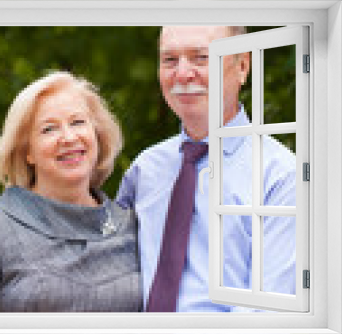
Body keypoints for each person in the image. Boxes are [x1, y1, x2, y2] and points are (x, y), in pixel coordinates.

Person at [116, 26, 296, 312]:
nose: (183, 73)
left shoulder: (282, 176)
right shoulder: (145, 169)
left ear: (243, 66)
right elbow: (109, 271)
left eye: (201, 57)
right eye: (170, 60)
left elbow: (269, 312)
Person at [0, 71, 142, 312]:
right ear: (27, 152)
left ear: (97, 135)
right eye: (49, 129)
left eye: (78, 122)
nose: (68, 137)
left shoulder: (132, 225)